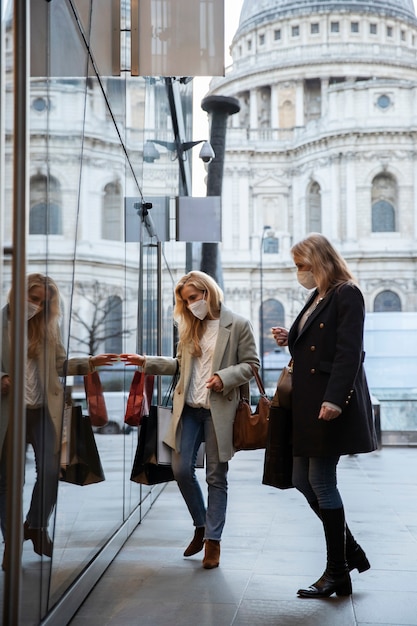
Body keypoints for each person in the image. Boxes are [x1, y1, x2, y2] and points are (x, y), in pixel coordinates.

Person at [120, 270, 259, 569]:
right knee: (181, 470)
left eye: (194, 297)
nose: (191, 304)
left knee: (216, 477)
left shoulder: (238, 324)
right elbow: (179, 366)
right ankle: (201, 524)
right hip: (190, 410)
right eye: (186, 300)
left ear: (208, 292)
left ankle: (213, 542)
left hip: (220, 411)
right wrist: (146, 363)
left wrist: (224, 377)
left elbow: (251, 365)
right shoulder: (189, 328)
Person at [272, 234, 377, 598]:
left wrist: (334, 399)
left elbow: (350, 352)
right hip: (306, 403)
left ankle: (337, 572)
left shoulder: (346, 293)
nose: (299, 271)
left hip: (327, 403)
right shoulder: (317, 295)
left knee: (320, 481)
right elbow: (317, 340)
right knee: (302, 479)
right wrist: (291, 337)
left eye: (302, 264)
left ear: (320, 261)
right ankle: (350, 553)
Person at [0, 273, 118, 565]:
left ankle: (36, 526)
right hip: (9, 413)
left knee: (51, 472)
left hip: (42, 411)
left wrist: (90, 362)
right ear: (20, 294)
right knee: (7, 481)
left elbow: (60, 364)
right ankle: (11, 544)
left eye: (44, 302)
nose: (38, 306)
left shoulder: (49, 327)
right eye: (34, 299)